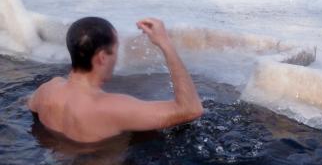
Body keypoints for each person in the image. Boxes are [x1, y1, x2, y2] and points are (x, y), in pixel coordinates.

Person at [27, 17, 203, 143]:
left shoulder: (47, 90)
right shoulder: (112, 107)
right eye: (116, 48)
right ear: (103, 57)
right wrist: (165, 43)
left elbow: (26, 104)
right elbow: (190, 109)